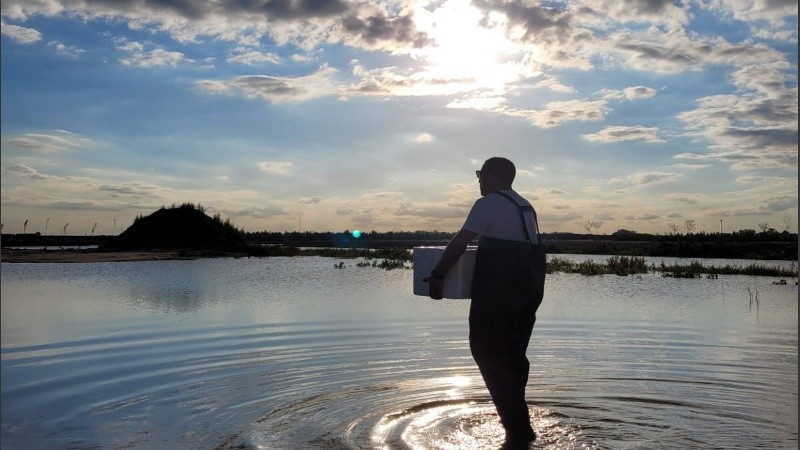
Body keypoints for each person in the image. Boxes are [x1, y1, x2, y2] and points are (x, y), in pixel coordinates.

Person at [424, 157, 545, 449]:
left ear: (493, 176)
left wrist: (438, 275)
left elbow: (460, 242)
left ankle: (519, 430)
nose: (478, 181)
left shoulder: (487, 203)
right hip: (529, 291)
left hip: (499, 294)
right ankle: (517, 425)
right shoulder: (525, 206)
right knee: (513, 355)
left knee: (487, 351)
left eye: (480, 174)